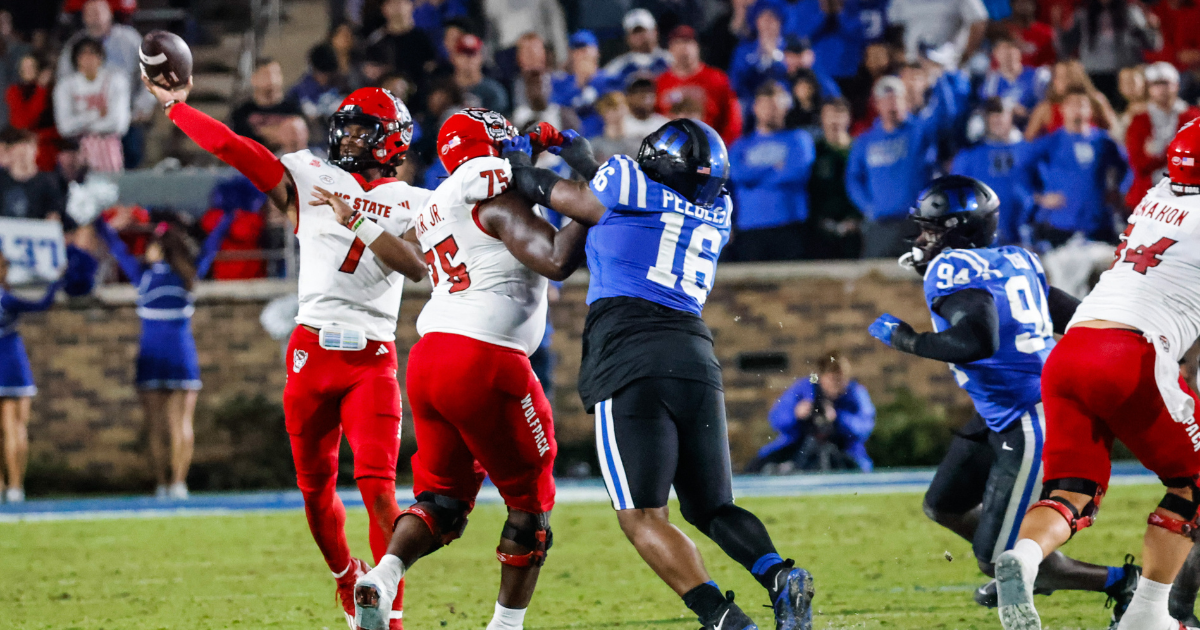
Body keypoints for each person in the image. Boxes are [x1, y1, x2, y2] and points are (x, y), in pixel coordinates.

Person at [501, 118, 816, 630]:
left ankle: (722, 619)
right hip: (693, 353)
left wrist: (518, 158)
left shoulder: (626, 180)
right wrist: (580, 153)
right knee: (713, 506)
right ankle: (779, 575)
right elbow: (619, 195)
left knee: (643, 515)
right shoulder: (719, 209)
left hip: (629, 350)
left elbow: (555, 193)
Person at [144, 70, 432, 628]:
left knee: (378, 487)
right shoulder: (307, 174)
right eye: (345, 129)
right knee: (315, 488)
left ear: (391, 139)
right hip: (310, 351)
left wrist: (360, 222)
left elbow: (417, 268)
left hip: (371, 357)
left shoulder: (413, 201)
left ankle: (390, 616)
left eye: (361, 131)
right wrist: (177, 108)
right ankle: (347, 578)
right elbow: (235, 147)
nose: (347, 140)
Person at [348, 112, 589, 630]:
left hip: (432, 356)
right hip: (485, 357)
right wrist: (588, 208)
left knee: (442, 501)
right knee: (530, 505)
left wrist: (526, 155)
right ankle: (506, 626)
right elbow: (556, 259)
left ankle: (385, 576)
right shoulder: (491, 191)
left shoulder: (440, 201)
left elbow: (497, 179)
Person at [866, 175, 1140, 626]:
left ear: (957, 230)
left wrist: (907, 340)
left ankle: (1118, 582)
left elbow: (978, 339)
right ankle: (1036, 566)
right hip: (1007, 411)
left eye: (931, 230)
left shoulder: (951, 269)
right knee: (945, 503)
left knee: (997, 559)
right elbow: (1070, 312)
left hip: (1029, 416)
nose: (921, 239)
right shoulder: (1017, 258)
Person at [992, 120, 1200, 630]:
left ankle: (1025, 557)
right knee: (1192, 484)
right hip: (1131, 353)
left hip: (1072, 349)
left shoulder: (1156, 196)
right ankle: (1148, 615)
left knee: (1071, 491)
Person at [95, 207, 235, 500]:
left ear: (158, 248)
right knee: (181, 423)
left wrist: (96, 217)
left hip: (152, 356)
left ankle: (161, 484)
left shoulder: (142, 276)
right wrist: (230, 212)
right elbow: (213, 243)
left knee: (156, 424)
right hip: (182, 354)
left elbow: (116, 248)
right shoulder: (188, 274)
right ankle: (179, 484)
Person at [1018, 87, 1129, 296]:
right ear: (1063, 110)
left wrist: (1118, 192)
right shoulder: (1052, 141)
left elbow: (1126, 168)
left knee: (1104, 286)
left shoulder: (1103, 141)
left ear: (1090, 110)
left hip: (1098, 226)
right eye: (1072, 104)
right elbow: (1021, 171)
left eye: (1082, 104)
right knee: (1063, 290)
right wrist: (1038, 198)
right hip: (1061, 227)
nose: (1078, 109)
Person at [845, 77, 940, 258]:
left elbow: (945, 118)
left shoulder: (920, 131)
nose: (891, 105)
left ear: (904, 101)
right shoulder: (865, 140)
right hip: (880, 226)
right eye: (886, 100)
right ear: (877, 104)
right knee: (876, 280)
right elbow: (853, 178)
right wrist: (869, 207)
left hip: (915, 224)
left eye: (896, 98)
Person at [744, 351, 875, 473]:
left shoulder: (856, 393)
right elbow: (776, 419)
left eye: (841, 380)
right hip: (798, 447)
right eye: (832, 379)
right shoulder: (804, 388)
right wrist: (796, 414)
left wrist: (838, 418)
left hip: (843, 452)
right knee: (755, 468)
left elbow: (864, 428)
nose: (837, 385)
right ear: (821, 377)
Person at [727, 81, 815, 261]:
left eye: (775, 106)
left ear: (786, 108)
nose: (770, 111)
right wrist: (774, 168)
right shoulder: (740, 146)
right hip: (749, 227)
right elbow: (737, 175)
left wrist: (753, 176)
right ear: (755, 108)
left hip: (789, 223)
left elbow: (796, 172)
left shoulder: (798, 139)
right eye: (765, 105)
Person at [0, 250, 62, 503]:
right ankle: (15, 486)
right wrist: (56, 280)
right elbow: (42, 304)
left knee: (8, 428)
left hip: (10, 363)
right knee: (16, 428)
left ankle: (6, 486)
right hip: (13, 364)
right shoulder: (7, 299)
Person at [1057, 0, 1162, 108]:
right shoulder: (1083, 15)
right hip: (1093, 74)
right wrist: (1059, 28)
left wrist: (1152, 29)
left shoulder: (1131, 12)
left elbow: (1152, 45)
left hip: (1124, 74)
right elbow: (1065, 48)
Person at [952, 99, 1029, 246]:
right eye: (993, 114)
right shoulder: (968, 156)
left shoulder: (1026, 151)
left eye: (1001, 114)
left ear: (1011, 117)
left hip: (1020, 235)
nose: (997, 119)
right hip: (980, 238)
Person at [1125, 62, 1200, 208]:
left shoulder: (1193, 117)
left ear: (1176, 85)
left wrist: (1159, 153)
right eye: (1155, 84)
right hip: (1149, 195)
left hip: (1187, 194)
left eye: (1165, 83)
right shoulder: (1139, 120)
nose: (1161, 89)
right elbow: (1139, 164)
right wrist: (1177, 154)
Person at [655, 26, 743, 146]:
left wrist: (723, 147)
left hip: (709, 147)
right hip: (671, 148)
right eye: (678, 43)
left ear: (697, 47)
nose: (683, 48)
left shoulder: (717, 79)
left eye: (688, 42)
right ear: (670, 49)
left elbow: (733, 119)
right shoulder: (660, 83)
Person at [53, 37, 130, 173]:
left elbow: (118, 124)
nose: (89, 58)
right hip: (76, 148)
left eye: (93, 53)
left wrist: (82, 125)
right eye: (84, 54)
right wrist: (95, 115)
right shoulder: (65, 86)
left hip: (110, 147)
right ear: (76, 58)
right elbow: (64, 127)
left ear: (101, 57)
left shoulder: (116, 81)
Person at [807, 98, 861, 259]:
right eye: (829, 115)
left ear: (848, 118)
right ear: (822, 119)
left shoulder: (858, 149)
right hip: (821, 230)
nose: (834, 121)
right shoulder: (814, 152)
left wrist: (856, 219)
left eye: (839, 115)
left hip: (855, 229)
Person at [364, 0, 439, 98]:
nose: (397, 7)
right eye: (392, 3)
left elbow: (431, 69)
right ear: (384, 9)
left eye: (402, 2)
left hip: (419, 97)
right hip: (385, 99)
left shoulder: (425, 39)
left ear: (411, 6)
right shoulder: (376, 42)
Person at [229, 58, 305, 151]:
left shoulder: (293, 108)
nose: (272, 80)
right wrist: (282, 133)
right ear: (254, 79)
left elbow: (300, 139)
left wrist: (264, 131)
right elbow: (244, 142)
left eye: (276, 74)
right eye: (266, 75)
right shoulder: (243, 112)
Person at [887, 0, 989, 66]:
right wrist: (900, 54)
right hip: (910, 62)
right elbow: (894, 28)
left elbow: (979, 21)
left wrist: (964, 57)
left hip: (946, 64)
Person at [977, 35, 1047, 127]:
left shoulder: (1035, 76)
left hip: (1030, 124)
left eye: (1013, 52)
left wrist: (1027, 114)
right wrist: (1009, 106)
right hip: (1002, 128)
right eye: (1005, 53)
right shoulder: (992, 80)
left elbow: (1045, 103)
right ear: (996, 55)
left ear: (1019, 54)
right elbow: (988, 103)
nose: (1009, 56)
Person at [550, 30, 607, 138]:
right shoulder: (559, 82)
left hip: (603, 142)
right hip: (571, 143)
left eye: (586, 48)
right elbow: (553, 109)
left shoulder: (606, 79)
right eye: (577, 49)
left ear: (597, 51)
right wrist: (579, 83)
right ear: (570, 54)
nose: (582, 53)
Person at [0, 128, 64, 221]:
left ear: (36, 151)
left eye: (26, 150)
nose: (22, 156)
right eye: (19, 153)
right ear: (10, 153)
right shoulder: (2, 180)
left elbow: (53, 216)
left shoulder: (48, 182)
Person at [602, 9, 671, 88]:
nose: (640, 36)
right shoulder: (617, 67)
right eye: (635, 32)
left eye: (643, 30)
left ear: (655, 31)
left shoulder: (670, 60)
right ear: (627, 38)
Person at [450, 33, 508, 115]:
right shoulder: (445, 89)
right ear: (453, 58)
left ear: (481, 57)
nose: (468, 59)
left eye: (472, 54)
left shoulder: (494, 91)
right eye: (463, 54)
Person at [623, 74, 670, 142]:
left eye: (649, 91)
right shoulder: (620, 124)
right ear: (628, 97)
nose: (645, 95)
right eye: (639, 91)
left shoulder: (664, 125)